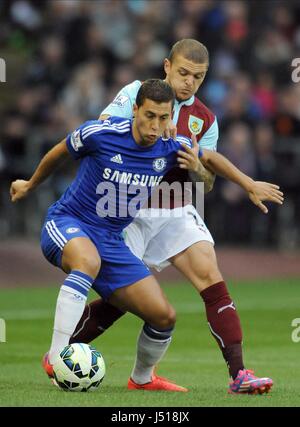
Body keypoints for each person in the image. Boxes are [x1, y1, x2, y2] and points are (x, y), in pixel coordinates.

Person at [70, 40, 281, 394]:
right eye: (183, 72)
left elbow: (207, 182)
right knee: (122, 301)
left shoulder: (206, 119)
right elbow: (103, 131)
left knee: (213, 282)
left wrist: (200, 167)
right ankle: (63, 353)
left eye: (197, 77)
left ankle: (239, 374)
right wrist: (150, 135)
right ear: (167, 66)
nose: (188, 82)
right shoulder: (139, 94)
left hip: (176, 210)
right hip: (129, 212)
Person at [10, 79, 210, 392]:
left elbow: (207, 179)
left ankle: (142, 379)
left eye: (163, 117)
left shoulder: (172, 148)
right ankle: (56, 355)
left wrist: (198, 169)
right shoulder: (101, 133)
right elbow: (61, 151)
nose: (155, 125)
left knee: (164, 316)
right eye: (149, 116)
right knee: (87, 260)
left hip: (111, 241)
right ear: (135, 110)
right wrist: (30, 184)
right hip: (68, 222)